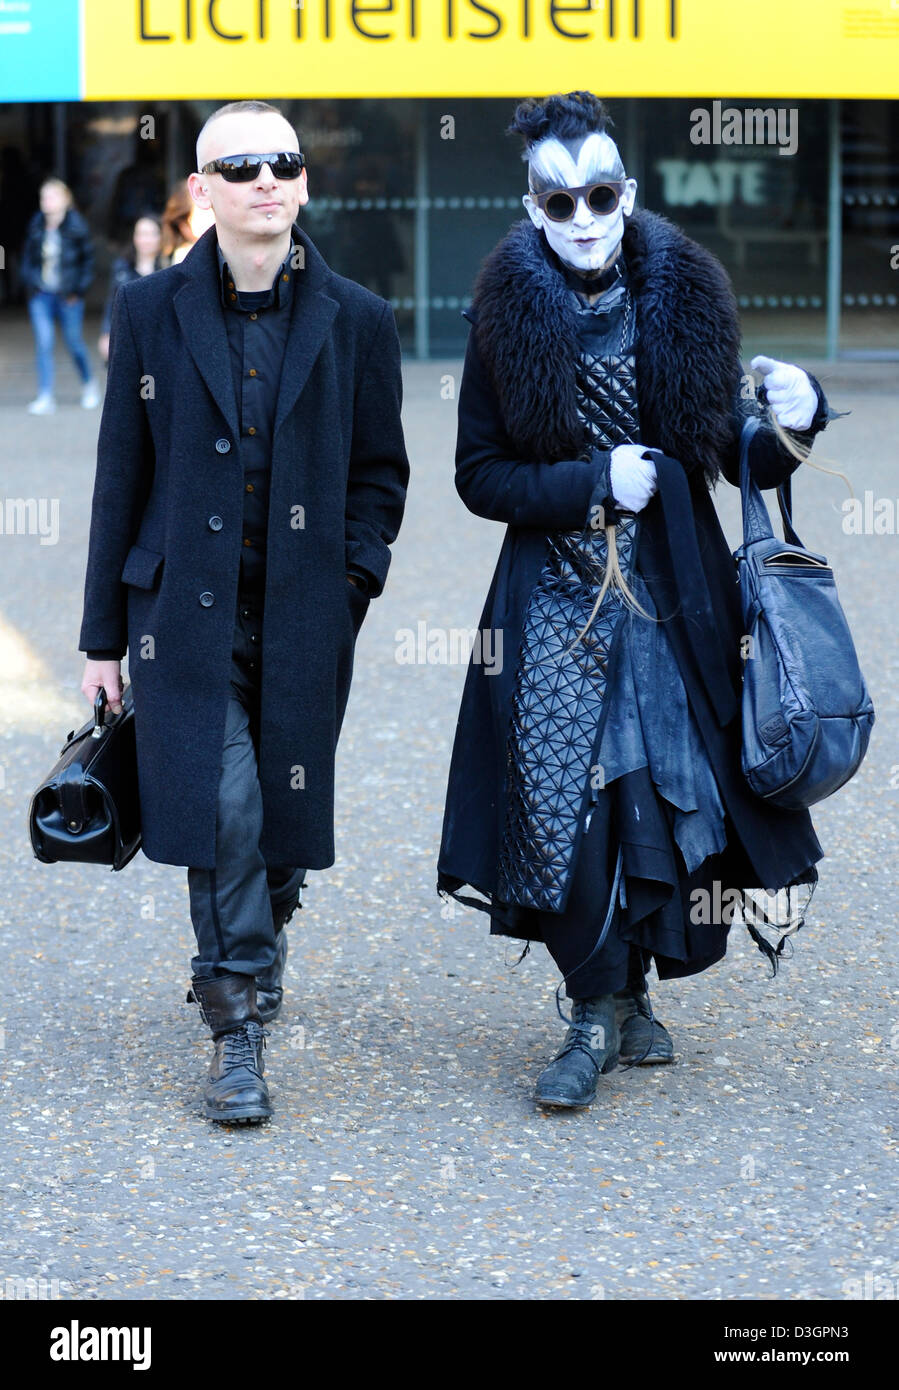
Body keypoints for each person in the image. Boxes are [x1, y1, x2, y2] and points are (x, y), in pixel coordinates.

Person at [437, 91, 836, 1110]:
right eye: (556, 197)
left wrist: (797, 420)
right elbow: (478, 474)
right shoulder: (504, 315)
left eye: (598, 193)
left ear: (628, 196)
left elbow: (726, 452)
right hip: (550, 604)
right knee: (566, 801)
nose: (579, 215)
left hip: (670, 594)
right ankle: (590, 1008)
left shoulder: (685, 296)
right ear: (529, 207)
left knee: (666, 791)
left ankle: (635, 989)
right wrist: (586, 483)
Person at [78, 100, 409, 1125]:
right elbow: (117, 477)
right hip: (180, 617)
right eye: (241, 165)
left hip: (310, 618)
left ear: (303, 183)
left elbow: (378, 474)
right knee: (222, 808)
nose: (267, 179)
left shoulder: (358, 318)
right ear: (200, 193)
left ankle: (255, 932)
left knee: (276, 821)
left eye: (284, 163)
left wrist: (354, 577)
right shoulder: (147, 309)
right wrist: (98, 638)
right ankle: (236, 1030)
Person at [21, 178, 101, 413]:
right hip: (42, 294)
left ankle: (89, 384)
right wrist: (32, 283)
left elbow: (88, 262)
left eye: (51, 197)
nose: (46, 202)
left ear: (65, 200)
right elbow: (28, 258)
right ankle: (45, 394)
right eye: (43, 197)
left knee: (73, 342)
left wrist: (77, 290)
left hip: (68, 295)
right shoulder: (36, 224)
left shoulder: (77, 226)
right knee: (44, 342)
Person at [98, 214, 166, 364]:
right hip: (127, 339)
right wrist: (105, 333)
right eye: (141, 234)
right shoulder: (122, 267)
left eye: (151, 234)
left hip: (159, 341)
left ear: (161, 237)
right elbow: (112, 302)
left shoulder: (169, 268)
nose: (145, 240)